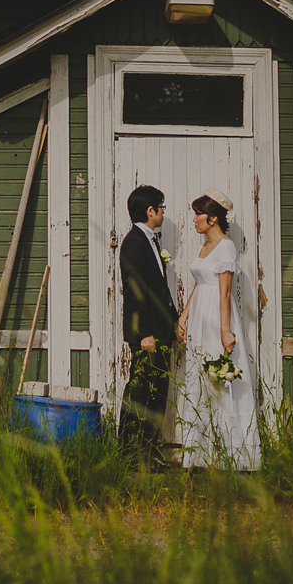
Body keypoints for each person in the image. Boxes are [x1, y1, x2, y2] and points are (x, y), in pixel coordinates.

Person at [176, 189, 260, 470]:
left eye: (198, 215)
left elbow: (224, 293)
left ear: (213, 218)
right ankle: (198, 455)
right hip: (200, 312)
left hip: (216, 316)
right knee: (197, 379)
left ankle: (229, 455)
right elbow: (200, 282)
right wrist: (184, 315)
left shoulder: (225, 246)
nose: (194, 220)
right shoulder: (204, 247)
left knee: (217, 379)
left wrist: (225, 331)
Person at [118, 184, 180, 465]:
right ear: (150, 211)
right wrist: (143, 334)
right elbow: (134, 293)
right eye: (161, 208)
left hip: (161, 332)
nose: (164, 213)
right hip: (147, 336)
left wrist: (175, 320)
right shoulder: (133, 244)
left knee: (157, 395)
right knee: (141, 393)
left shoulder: (151, 241)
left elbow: (159, 289)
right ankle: (129, 455)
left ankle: (149, 453)